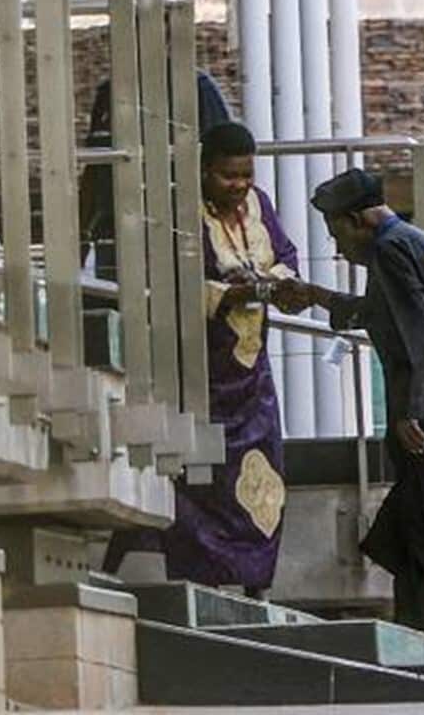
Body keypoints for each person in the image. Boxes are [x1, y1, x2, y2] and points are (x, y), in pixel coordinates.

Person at [295, 168, 424, 639]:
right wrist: (317, 296)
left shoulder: (390, 250)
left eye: (337, 233)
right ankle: (419, 621)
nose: (337, 248)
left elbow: (416, 332)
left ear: (357, 220)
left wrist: (412, 410)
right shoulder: (408, 241)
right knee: (415, 514)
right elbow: (382, 314)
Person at [103, 121, 305, 598]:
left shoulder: (260, 206)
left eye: (245, 176)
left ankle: (255, 582)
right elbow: (168, 281)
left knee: (260, 475)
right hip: (196, 368)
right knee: (199, 478)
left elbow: (287, 254)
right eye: (227, 176)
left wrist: (272, 281)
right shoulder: (178, 213)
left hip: (251, 372)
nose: (238, 186)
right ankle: (201, 579)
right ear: (203, 171)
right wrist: (231, 291)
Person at [79, 70, 233, 281]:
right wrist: (81, 235)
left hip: (183, 228)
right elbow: (94, 169)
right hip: (117, 231)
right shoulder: (110, 92)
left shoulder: (195, 87)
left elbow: (225, 161)